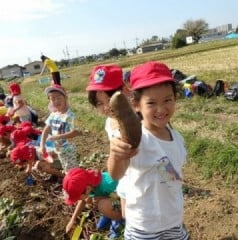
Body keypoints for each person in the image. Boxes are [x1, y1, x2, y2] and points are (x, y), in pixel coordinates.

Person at [107, 61, 190, 240]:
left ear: (175, 99)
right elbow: (116, 174)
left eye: (167, 100)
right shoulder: (136, 138)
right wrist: (115, 155)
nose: (161, 109)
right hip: (144, 225)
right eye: (151, 103)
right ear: (136, 105)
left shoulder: (177, 138)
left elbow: (172, 177)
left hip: (173, 220)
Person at [86, 64, 128, 224]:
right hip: (123, 178)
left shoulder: (135, 121)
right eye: (99, 103)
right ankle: (119, 217)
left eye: (110, 99)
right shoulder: (109, 123)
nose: (106, 107)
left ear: (124, 92)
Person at [62, 167, 123, 238]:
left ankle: (119, 221)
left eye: (78, 197)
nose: (77, 200)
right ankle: (111, 214)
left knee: (102, 205)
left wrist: (103, 199)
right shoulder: (89, 182)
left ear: (87, 189)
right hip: (113, 200)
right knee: (90, 200)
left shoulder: (109, 183)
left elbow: (126, 198)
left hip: (126, 204)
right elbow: (82, 201)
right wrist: (72, 220)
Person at [40, 84, 79, 174]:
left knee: (72, 171)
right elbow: (46, 129)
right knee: (66, 168)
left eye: (58, 97)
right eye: (52, 98)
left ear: (65, 98)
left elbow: (74, 132)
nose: (56, 101)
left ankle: (76, 184)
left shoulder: (69, 115)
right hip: (59, 149)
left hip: (68, 150)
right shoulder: (53, 114)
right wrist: (42, 145)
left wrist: (57, 137)